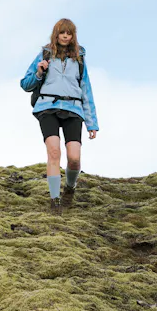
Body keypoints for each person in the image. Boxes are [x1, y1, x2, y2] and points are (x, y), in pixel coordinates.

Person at [20, 18, 99, 214]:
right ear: (56, 35)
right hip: (47, 107)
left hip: (73, 109)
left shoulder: (79, 59)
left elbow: (86, 90)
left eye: (69, 33)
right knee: (54, 152)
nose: (65, 36)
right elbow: (25, 84)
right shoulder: (45, 54)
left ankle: (70, 189)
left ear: (73, 36)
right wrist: (39, 72)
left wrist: (92, 123)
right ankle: (55, 201)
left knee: (74, 158)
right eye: (62, 33)